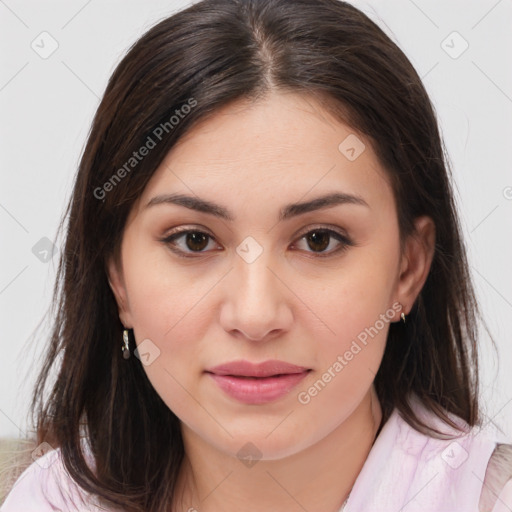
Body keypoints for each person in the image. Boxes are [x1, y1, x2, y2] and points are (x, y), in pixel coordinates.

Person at [1, 0, 511, 511]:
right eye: (193, 240)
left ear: (408, 269)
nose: (255, 315)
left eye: (319, 240)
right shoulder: (50, 500)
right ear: (117, 278)